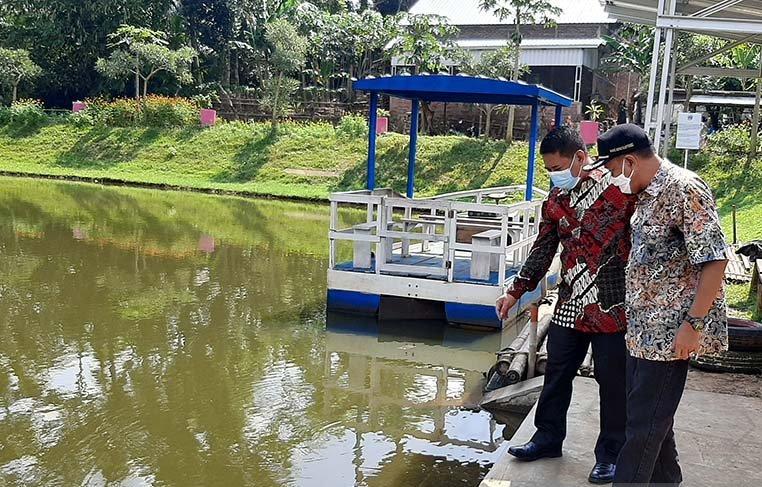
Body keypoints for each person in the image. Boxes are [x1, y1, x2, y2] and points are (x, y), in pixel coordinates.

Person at [585, 124, 730, 486]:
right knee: (652, 422)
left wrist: (692, 325)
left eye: (613, 170)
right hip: (642, 333)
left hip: (670, 335)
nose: (612, 179)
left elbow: (714, 261)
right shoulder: (647, 193)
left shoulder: (684, 189)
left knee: (642, 429)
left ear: (630, 161)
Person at [496, 126, 635, 484]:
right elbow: (544, 248)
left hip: (612, 306)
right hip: (571, 302)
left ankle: (610, 454)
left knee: (612, 381)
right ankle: (546, 438)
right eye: (549, 169)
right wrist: (516, 290)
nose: (556, 175)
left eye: (560, 167)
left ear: (581, 157)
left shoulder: (621, 191)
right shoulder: (557, 198)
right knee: (557, 374)